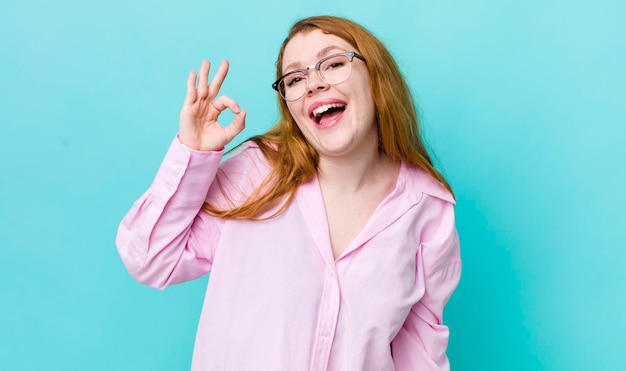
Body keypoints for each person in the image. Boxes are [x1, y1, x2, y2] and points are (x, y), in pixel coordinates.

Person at [116, 15, 461, 371]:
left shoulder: (429, 208)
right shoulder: (256, 174)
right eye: (295, 78)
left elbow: (419, 355)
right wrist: (193, 154)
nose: (312, 84)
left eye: (334, 63)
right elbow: (150, 260)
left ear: (377, 78)